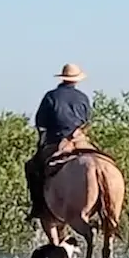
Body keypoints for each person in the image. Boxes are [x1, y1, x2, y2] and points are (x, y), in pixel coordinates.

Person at [25, 64, 92, 222]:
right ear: (76, 80)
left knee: (32, 167)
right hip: (80, 140)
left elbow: (40, 122)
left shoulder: (51, 96)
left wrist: (43, 140)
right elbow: (87, 120)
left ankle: (38, 207)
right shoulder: (83, 97)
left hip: (56, 141)